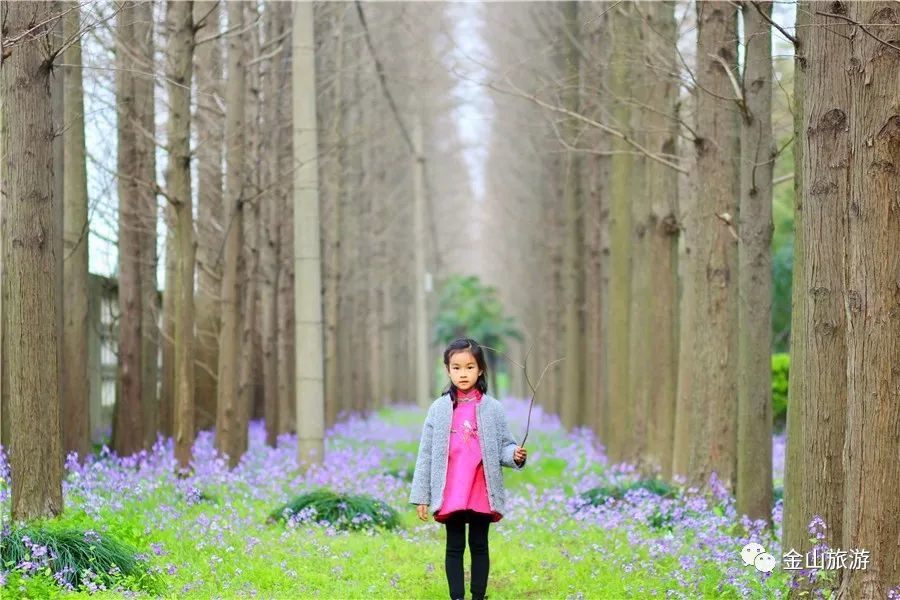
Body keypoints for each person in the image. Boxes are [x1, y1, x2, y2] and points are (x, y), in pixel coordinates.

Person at [409, 338, 528, 600]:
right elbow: (426, 454)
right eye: (457, 367)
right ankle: (457, 597)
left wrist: (515, 455)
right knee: (454, 546)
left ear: (481, 369)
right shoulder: (439, 409)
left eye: (470, 367)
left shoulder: (492, 409)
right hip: (451, 488)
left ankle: (478, 596)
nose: (463, 373)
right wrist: (421, 496)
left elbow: (505, 446)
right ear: (447, 370)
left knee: (479, 545)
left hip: (480, 488)